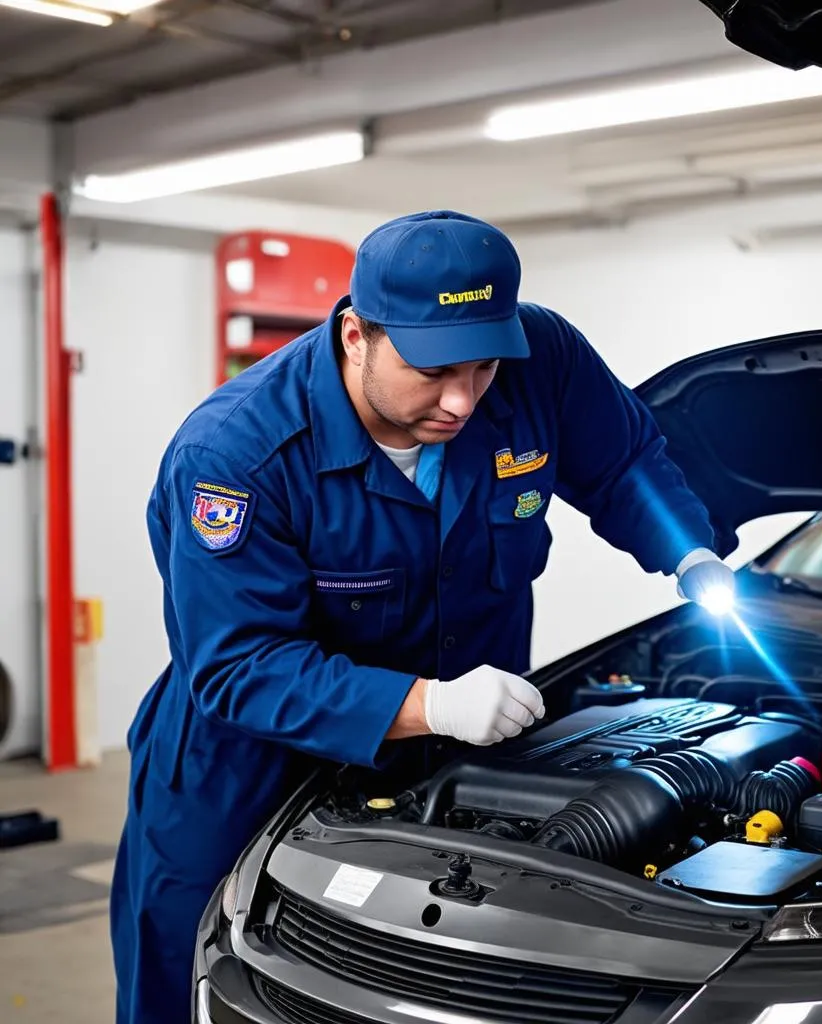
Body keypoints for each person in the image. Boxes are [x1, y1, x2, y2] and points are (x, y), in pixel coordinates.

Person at [109, 209, 734, 1023]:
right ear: (355, 334)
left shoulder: (542, 360)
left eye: (482, 369)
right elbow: (239, 667)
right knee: (196, 978)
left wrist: (693, 555)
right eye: (433, 369)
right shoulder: (234, 456)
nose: (461, 401)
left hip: (447, 761)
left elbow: (624, 466)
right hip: (242, 772)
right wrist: (430, 702)